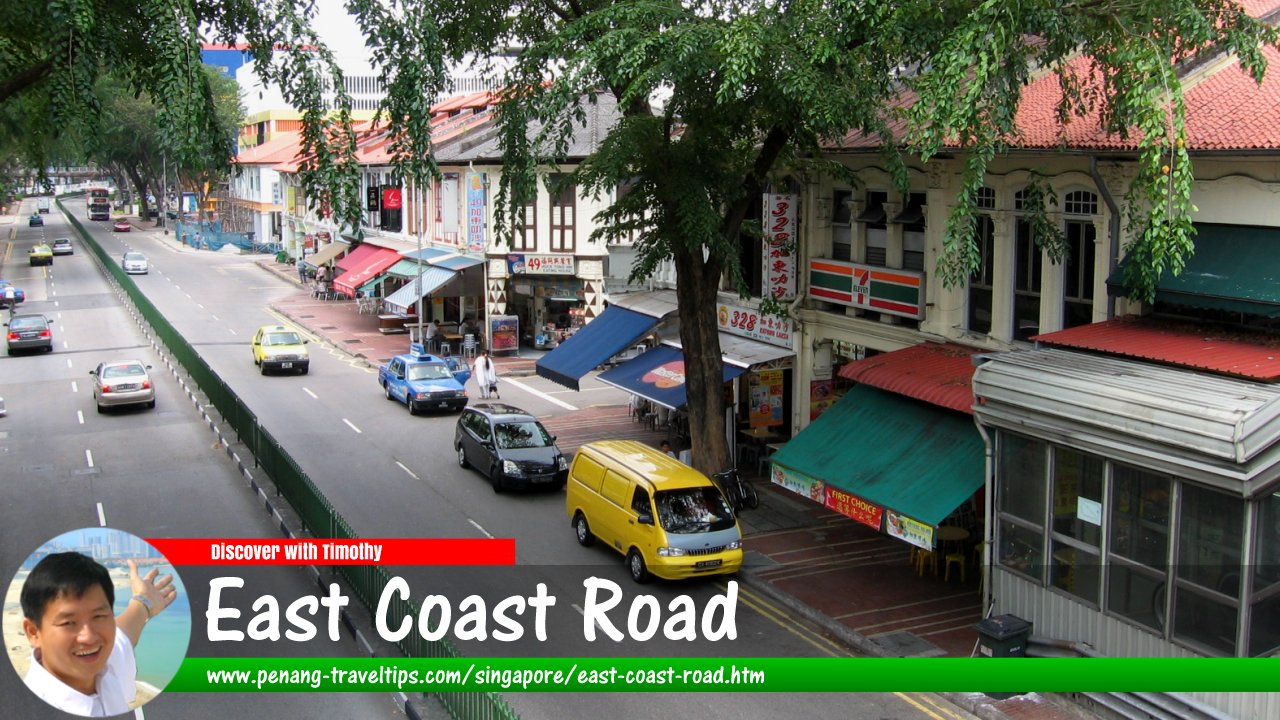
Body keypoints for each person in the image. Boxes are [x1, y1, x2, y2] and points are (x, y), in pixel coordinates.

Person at [20, 552, 178, 717]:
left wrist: (144, 601)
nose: (88, 637)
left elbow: (123, 634)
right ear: (33, 632)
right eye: (68, 623)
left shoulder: (104, 667)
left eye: (98, 616)